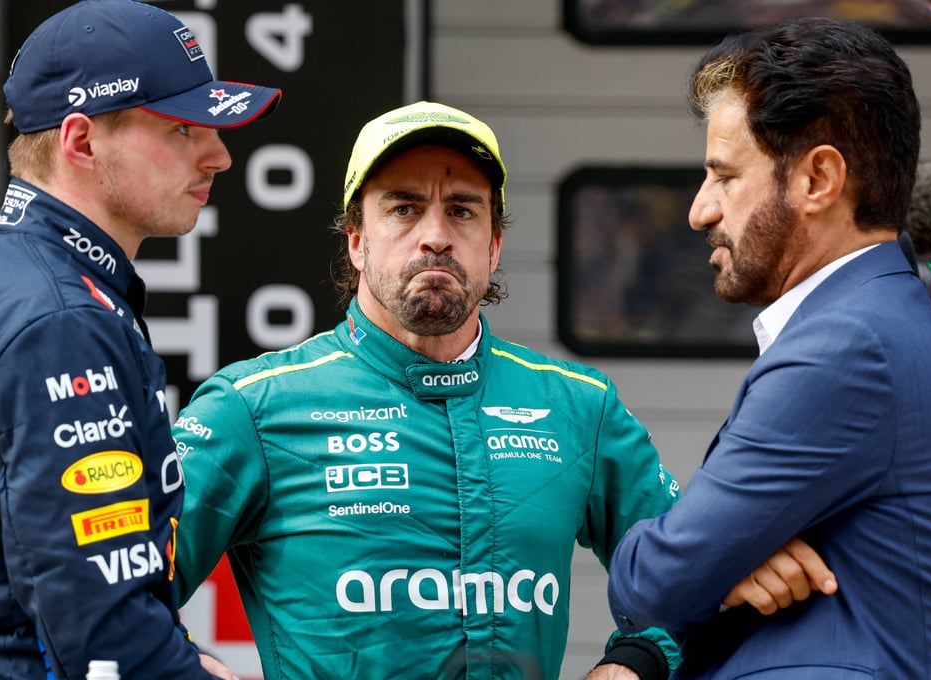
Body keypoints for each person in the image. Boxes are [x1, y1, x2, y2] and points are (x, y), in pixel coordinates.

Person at [168, 100, 681, 679]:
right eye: (404, 209)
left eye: (462, 211)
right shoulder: (252, 406)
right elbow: (118, 587)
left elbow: (696, 576)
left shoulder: (580, 406)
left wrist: (632, 666)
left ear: (494, 246)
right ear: (356, 241)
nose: (435, 237)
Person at [0, 1, 280, 677]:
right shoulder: (62, 322)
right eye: (183, 129)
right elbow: (103, 638)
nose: (218, 156)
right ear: (82, 142)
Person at [607, 16, 931, 678]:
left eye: (726, 176)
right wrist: (729, 561)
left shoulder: (846, 347)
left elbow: (654, 583)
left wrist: (705, 562)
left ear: (818, 179)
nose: (701, 210)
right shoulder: (877, 322)